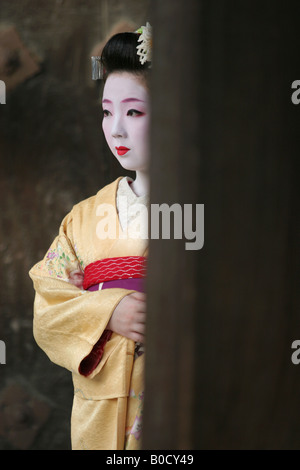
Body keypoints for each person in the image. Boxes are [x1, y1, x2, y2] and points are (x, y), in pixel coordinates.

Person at [29, 23, 152, 450]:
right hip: (99, 411)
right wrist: (108, 311)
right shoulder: (81, 219)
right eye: (106, 111)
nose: (115, 129)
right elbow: (47, 308)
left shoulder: (214, 210)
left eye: (134, 112)